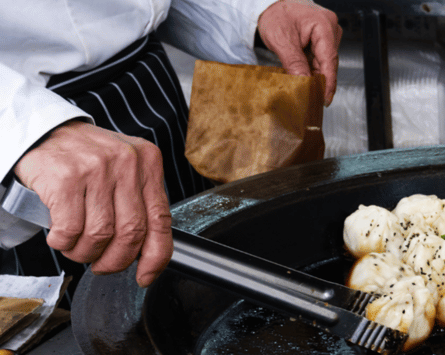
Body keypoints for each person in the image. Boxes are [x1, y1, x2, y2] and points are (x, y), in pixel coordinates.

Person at [0, 0, 342, 306]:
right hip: (35, 145)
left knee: (199, 304)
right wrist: (21, 127)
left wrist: (253, 9)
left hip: (151, 88)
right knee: (86, 333)